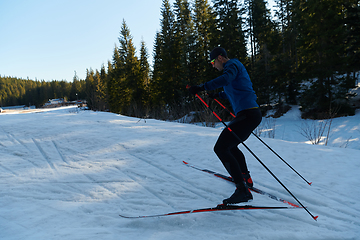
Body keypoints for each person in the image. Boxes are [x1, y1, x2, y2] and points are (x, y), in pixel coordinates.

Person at [188, 47, 262, 205]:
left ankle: (242, 190)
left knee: (221, 148)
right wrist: (216, 95)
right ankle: (245, 178)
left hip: (248, 115)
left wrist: (202, 86)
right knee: (231, 147)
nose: (213, 66)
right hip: (249, 115)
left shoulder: (232, 66)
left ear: (221, 58)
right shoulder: (233, 70)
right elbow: (231, 90)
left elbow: (226, 80)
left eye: (213, 62)